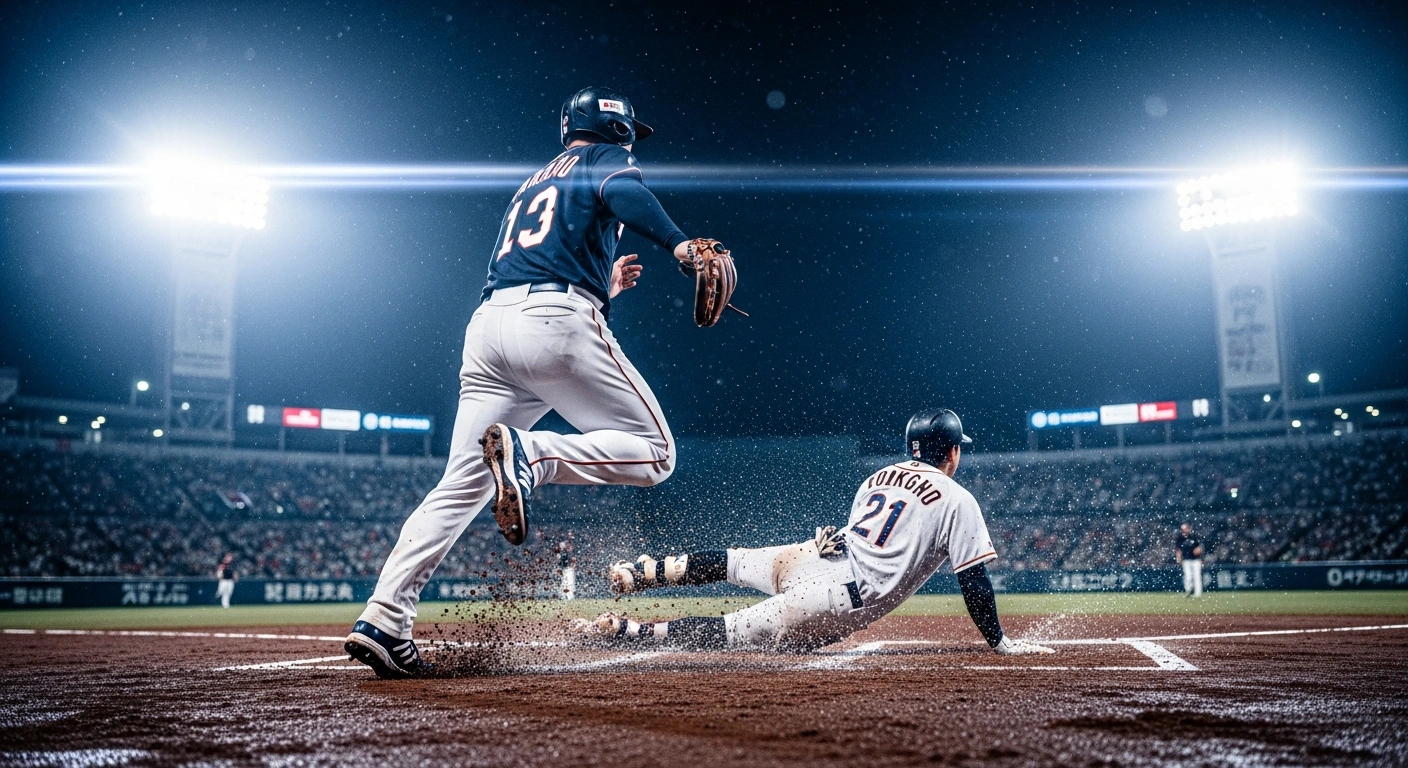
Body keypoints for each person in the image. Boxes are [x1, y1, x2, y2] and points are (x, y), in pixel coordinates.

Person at [347, 86, 724, 678]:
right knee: (656, 454)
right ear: (619, 129)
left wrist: (601, 283)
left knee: (459, 485)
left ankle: (384, 619)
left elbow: (542, 256)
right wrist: (679, 243)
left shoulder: (533, 182)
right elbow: (626, 192)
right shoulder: (604, 158)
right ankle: (534, 455)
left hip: (490, 328)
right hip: (552, 320)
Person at [577, 409, 1055, 656]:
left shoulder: (879, 476)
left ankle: (644, 572)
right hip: (836, 598)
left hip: (813, 556)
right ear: (951, 452)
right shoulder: (958, 498)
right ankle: (631, 631)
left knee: (736, 561)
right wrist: (998, 641)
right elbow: (973, 580)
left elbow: (863, 535)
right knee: (731, 631)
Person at [1176, 522, 1204, 597]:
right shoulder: (1180, 538)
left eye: (1185, 529)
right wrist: (1178, 557)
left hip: (1195, 559)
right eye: (1182, 529)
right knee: (1188, 576)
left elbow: (1200, 548)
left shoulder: (1194, 537)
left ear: (1189, 529)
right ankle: (1188, 590)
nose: (1184, 531)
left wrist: (1199, 553)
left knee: (1196, 576)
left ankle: (1197, 593)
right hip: (1186, 559)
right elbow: (1178, 549)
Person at [557, 537, 577, 601]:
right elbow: (560, 563)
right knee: (564, 583)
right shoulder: (562, 553)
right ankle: (563, 596)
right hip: (564, 569)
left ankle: (570, 597)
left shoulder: (571, 553)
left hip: (569, 569)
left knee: (570, 583)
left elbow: (574, 561)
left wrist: (573, 566)